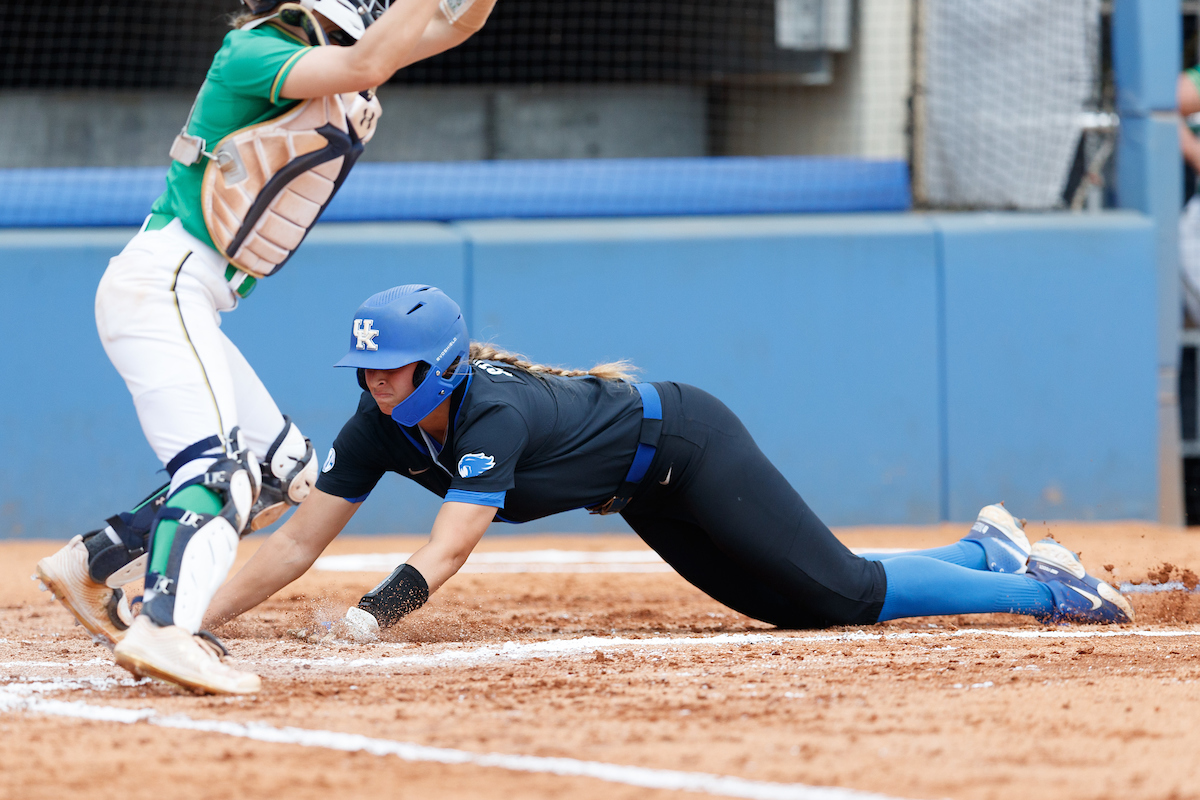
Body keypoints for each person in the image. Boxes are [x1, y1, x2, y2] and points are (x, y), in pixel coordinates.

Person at [203, 284, 1135, 653]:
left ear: (440, 365)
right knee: (799, 608)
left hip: (687, 446)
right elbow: (292, 548)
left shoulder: (490, 408)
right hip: (640, 489)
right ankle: (984, 550)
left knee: (844, 594)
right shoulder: (377, 428)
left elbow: (448, 549)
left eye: (392, 369)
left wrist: (372, 618)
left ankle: (1042, 589)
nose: (373, 386)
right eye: (365, 371)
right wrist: (184, 620)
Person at [34, 0, 500, 695]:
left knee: (284, 472)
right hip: (163, 282)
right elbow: (369, 59)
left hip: (195, 296)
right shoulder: (255, 50)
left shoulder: (332, 64)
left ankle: (92, 561)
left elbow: (457, 25)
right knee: (219, 474)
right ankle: (164, 627)